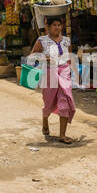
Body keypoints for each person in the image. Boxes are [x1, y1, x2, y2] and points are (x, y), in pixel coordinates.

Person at [30, 16, 76, 144]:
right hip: (49, 74)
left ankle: (62, 135)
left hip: (64, 73)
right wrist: (46, 59)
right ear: (48, 27)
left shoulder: (67, 41)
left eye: (59, 25)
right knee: (48, 102)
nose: (57, 27)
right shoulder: (42, 41)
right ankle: (45, 118)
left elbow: (70, 57)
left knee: (65, 101)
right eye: (54, 25)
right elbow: (32, 57)